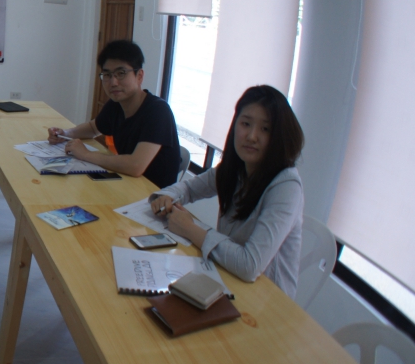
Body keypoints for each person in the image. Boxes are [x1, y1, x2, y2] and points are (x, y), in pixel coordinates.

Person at [149, 85, 305, 298]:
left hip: (266, 300)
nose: (251, 136)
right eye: (246, 124)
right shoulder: (237, 167)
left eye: (265, 129)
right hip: (226, 278)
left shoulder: (287, 187)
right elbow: (189, 188)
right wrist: (167, 197)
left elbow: (250, 265)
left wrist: (190, 228)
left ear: (280, 136)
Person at [47, 40, 181, 188]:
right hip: (126, 183)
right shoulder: (116, 105)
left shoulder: (158, 111)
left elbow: (136, 166)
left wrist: (86, 154)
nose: (113, 82)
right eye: (107, 74)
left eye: (121, 73)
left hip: (153, 195)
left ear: (139, 76)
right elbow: (93, 128)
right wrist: (66, 133)